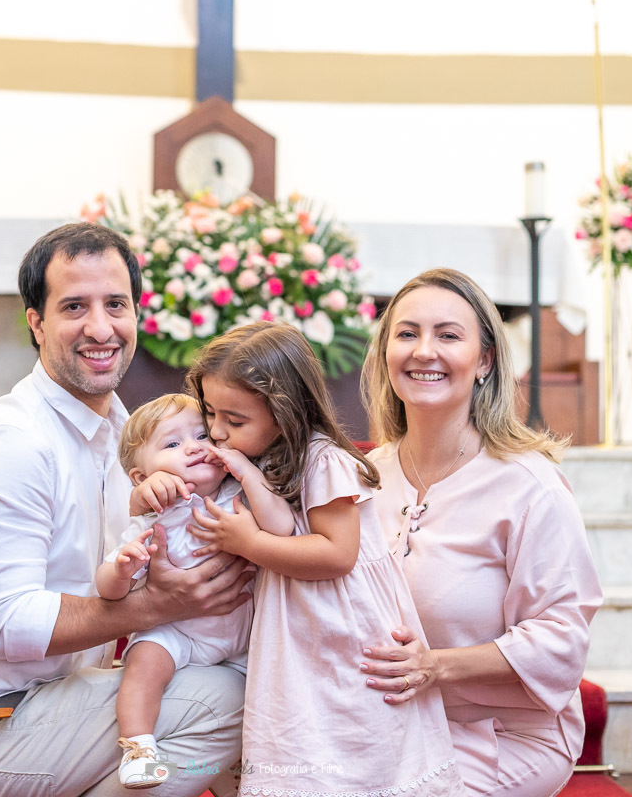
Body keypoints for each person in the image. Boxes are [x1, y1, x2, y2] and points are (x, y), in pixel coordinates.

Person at [0, 222, 255, 797]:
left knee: (245, 675)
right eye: (74, 307)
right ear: (36, 323)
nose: (100, 328)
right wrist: (153, 607)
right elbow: (8, 625)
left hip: (64, 699)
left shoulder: (126, 429)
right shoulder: (15, 443)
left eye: (115, 304)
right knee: (233, 699)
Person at [185, 322, 466, 797]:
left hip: (342, 631)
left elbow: (337, 554)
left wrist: (247, 543)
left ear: (284, 411)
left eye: (234, 420)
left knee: (348, 737)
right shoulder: (268, 458)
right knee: (306, 741)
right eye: (212, 414)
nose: (217, 432)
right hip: (303, 630)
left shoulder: (323, 460)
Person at [358, 268, 603, 797]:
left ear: (485, 360)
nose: (424, 351)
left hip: (505, 731)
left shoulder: (530, 487)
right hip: (387, 724)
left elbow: (562, 637)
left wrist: (435, 666)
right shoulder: (365, 479)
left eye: (448, 335)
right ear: (384, 355)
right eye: (406, 334)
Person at [96, 393, 292, 788]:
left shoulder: (238, 497)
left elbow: (282, 527)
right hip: (177, 634)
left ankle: (240, 771)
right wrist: (123, 568)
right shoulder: (155, 519)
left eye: (202, 435)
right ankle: (139, 748)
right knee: (143, 665)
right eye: (172, 444)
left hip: (243, 636)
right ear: (141, 478)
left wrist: (247, 473)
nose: (193, 447)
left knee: (274, 685)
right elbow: (108, 590)